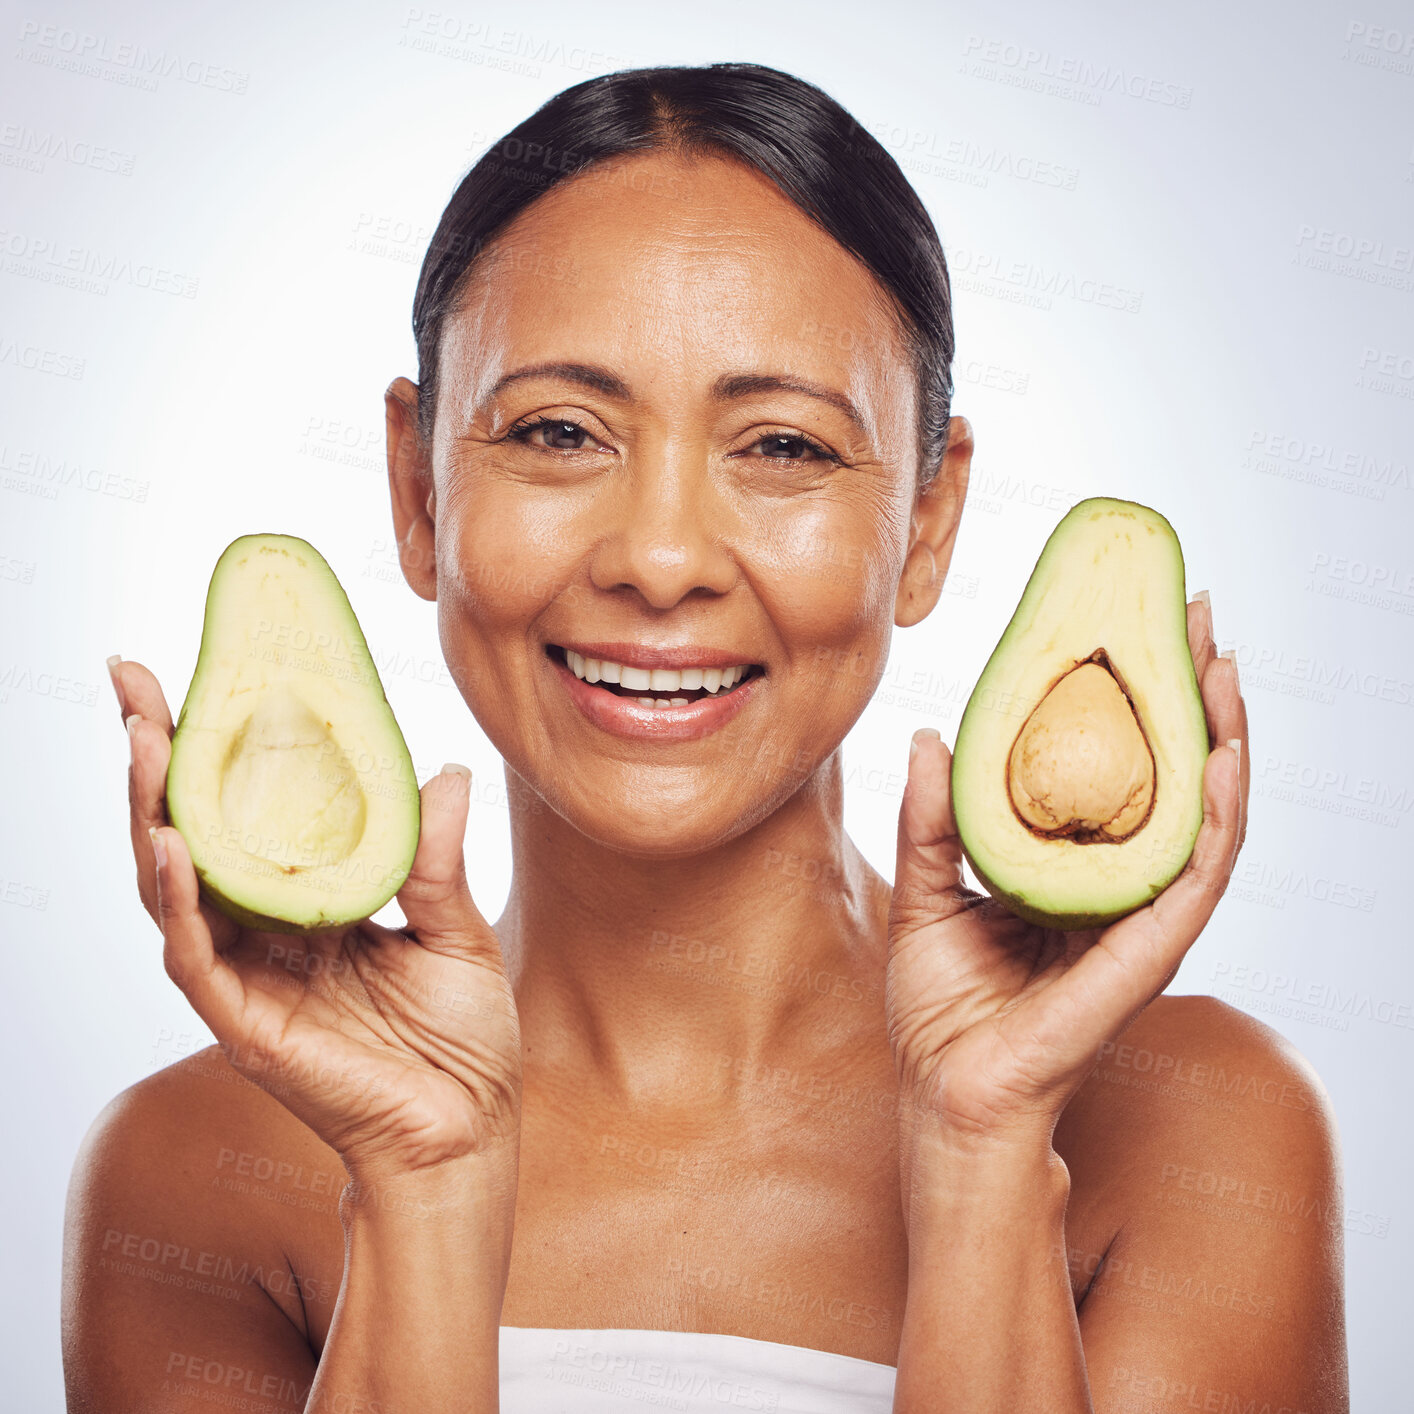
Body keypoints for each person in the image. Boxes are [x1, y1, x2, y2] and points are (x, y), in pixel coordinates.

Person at [63, 62, 1347, 1413]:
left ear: (925, 519)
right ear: (417, 486)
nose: (663, 558)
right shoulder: (193, 1168)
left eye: (782, 446)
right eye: (559, 430)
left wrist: (980, 1144)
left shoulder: (1197, 1120)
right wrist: (422, 1176)